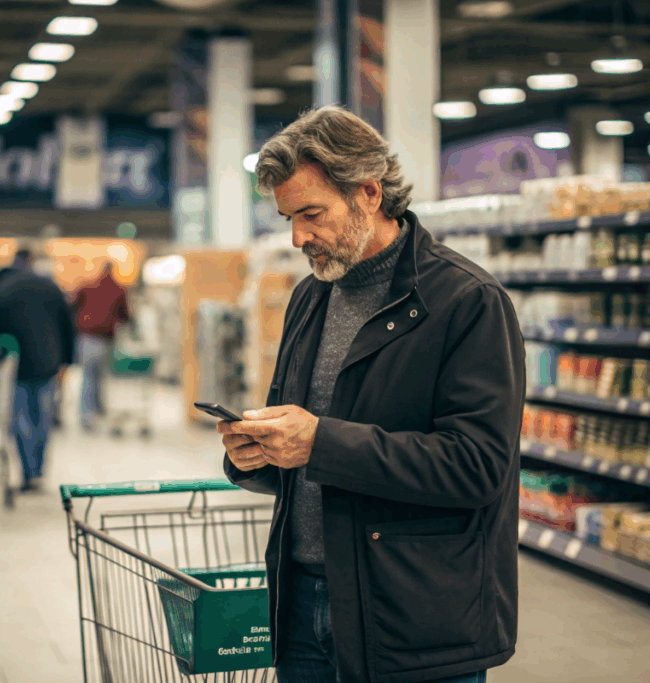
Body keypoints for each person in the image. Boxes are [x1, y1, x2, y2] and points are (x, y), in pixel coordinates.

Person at [217, 106, 525, 683]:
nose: (298, 237)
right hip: (303, 607)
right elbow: (304, 447)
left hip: (411, 618)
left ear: (369, 192)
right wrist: (256, 454)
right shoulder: (311, 296)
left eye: (311, 214)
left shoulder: (466, 302)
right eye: (288, 218)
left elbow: (478, 467)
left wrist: (320, 443)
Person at [0, 249, 75, 491]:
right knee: (43, 419)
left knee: (20, 419)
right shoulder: (49, 285)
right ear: (31, 261)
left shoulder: (3, 287)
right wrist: (67, 360)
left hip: (15, 364)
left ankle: (28, 472)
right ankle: (38, 471)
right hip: (48, 362)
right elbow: (67, 324)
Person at [72, 262, 130, 431]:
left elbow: (73, 307)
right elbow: (124, 316)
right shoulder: (118, 290)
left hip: (86, 337)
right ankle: (96, 411)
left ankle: (87, 416)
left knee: (87, 378)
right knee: (99, 378)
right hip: (105, 340)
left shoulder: (87, 286)